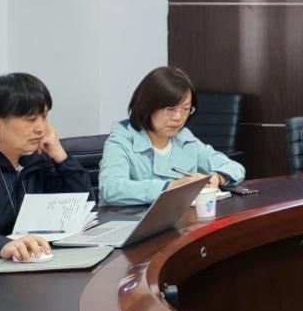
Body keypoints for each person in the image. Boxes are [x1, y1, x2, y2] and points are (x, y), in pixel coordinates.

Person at [0, 73, 92, 260]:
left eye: (44, 116)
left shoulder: (35, 159)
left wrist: (62, 158)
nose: (41, 128)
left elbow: (81, 208)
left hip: (32, 261)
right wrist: (2, 245)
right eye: (31, 119)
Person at [99, 66, 246, 206]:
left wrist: (217, 178)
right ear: (147, 106)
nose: (178, 117)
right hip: (130, 220)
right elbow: (111, 188)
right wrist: (171, 187)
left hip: (182, 219)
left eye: (186, 109)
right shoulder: (122, 139)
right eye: (170, 109)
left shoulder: (184, 138)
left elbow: (235, 168)